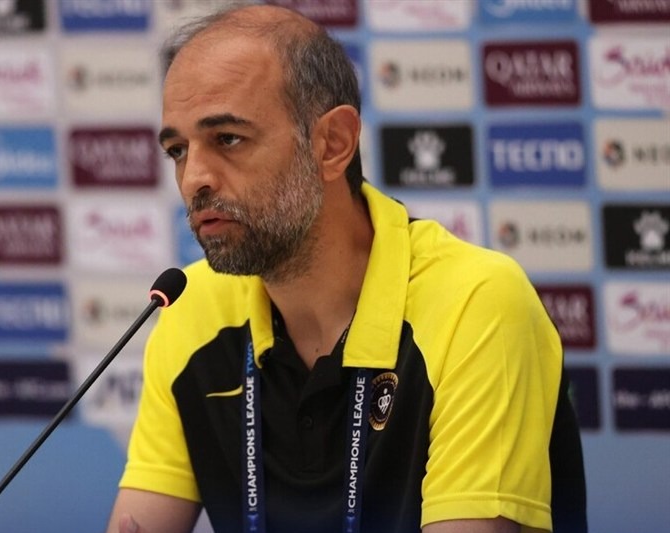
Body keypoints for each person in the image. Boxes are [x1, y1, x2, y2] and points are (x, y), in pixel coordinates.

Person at [107, 4, 587, 533]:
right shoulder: (190, 307)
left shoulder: (475, 303)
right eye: (178, 150)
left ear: (333, 144)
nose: (194, 177)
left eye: (228, 139)